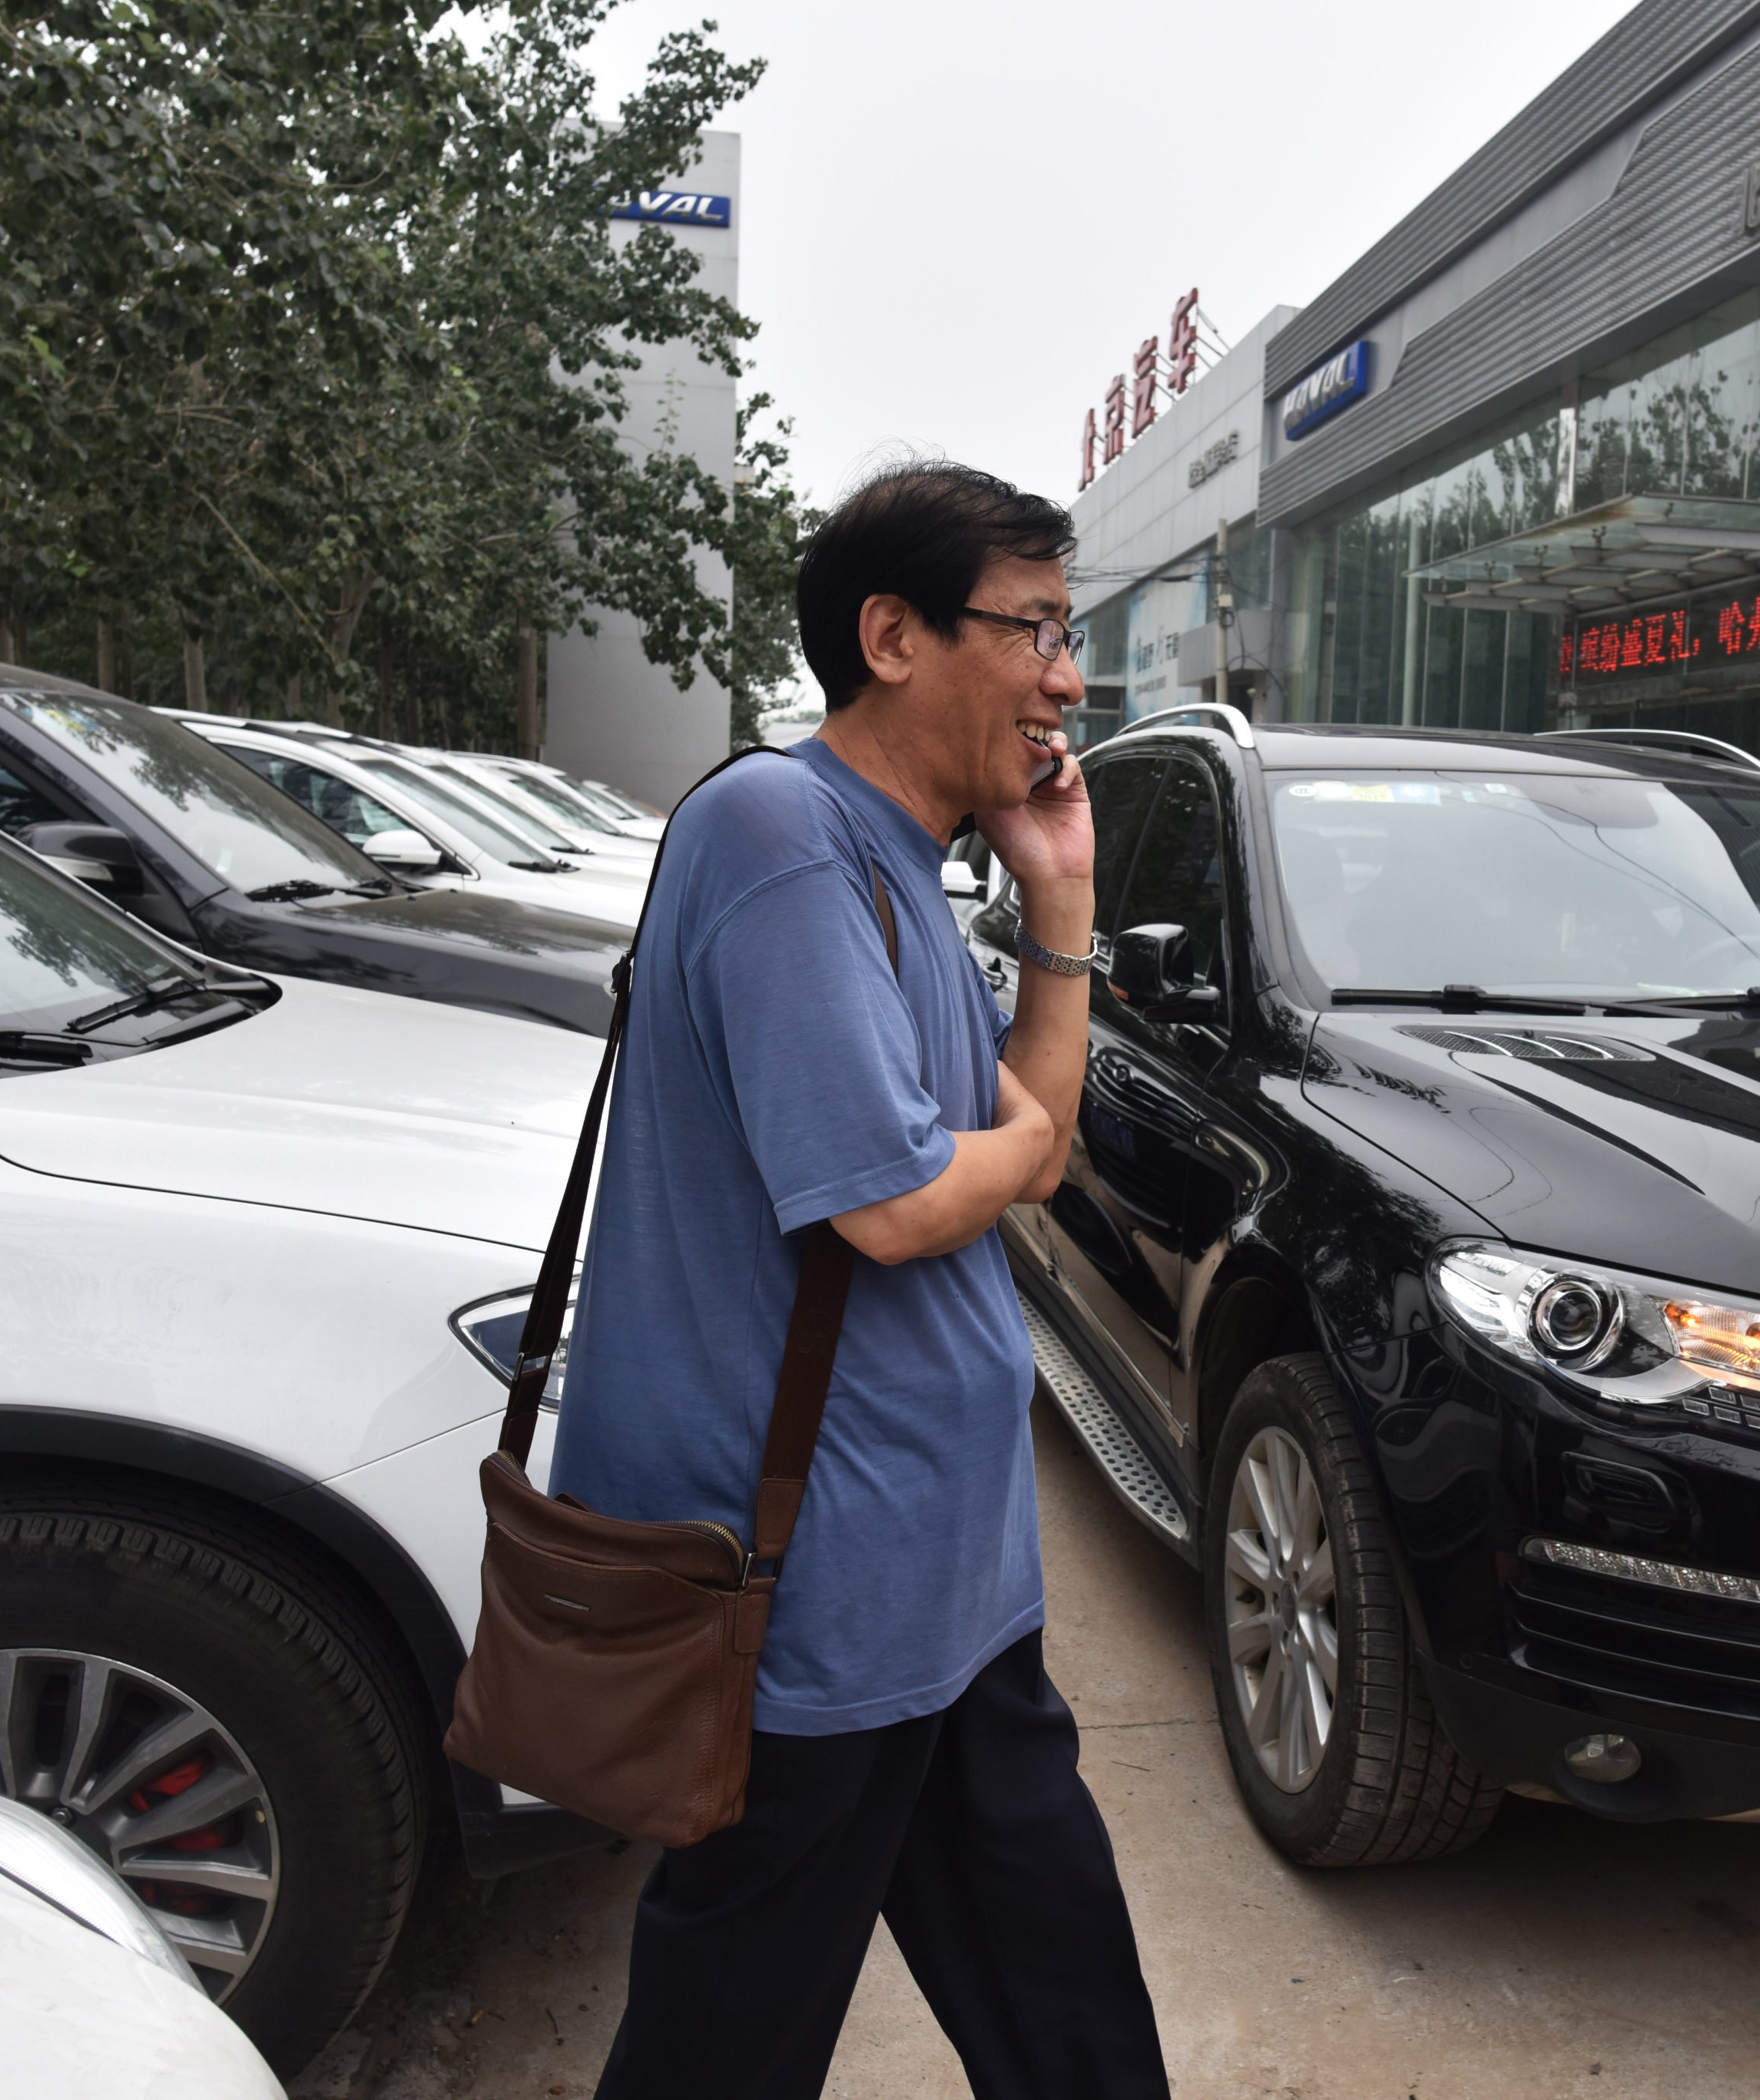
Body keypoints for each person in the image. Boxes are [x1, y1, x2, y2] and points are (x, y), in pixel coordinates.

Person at [552, 462, 1165, 2100]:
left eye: (1069, 631)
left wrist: (1061, 897)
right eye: (1035, 627)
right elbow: (895, 1202)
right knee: (724, 2045)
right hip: (812, 1605)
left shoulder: (901, 861)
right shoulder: (778, 832)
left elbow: (1035, 1132)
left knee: (1071, 2013)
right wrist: (1010, 1148)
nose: (1067, 677)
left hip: (950, 1578)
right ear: (892, 637)